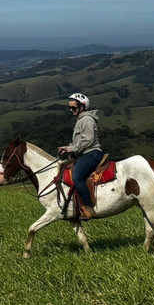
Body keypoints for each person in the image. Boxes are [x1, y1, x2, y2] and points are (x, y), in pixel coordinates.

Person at [58, 92, 102, 220]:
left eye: (74, 108)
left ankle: (88, 207)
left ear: (82, 107)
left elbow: (88, 140)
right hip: (85, 153)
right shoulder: (80, 119)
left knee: (77, 177)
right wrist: (67, 148)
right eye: (70, 108)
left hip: (92, 153)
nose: (71, 110)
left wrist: (71, 148)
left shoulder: (86, 119)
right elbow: (79, 141)